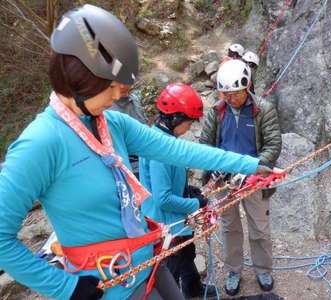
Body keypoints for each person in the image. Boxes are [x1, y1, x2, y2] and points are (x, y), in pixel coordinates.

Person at [0, 5, 279, 300]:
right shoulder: (41, 144)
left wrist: (251, 164)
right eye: (112, 88)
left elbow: (179, 151)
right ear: (82, 83)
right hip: (108, 283)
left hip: (147, 260)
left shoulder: (110, 123)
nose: (120, 96)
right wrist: (64, 287)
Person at [199, 59, 282, 296]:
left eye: (234, 94)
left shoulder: (263, 109)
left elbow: (273, 145)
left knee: (260, 228)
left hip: (254, 179)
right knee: (229, 227)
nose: (230, 98)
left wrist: (255, 167)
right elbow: (205, 144)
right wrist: (213, 168)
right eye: (225, 93)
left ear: (247, 87)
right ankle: (234, 270)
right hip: (225, 181)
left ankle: (263, 270)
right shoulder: (217, 111)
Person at [140, 83, 217, 299]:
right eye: (190, 122)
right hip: (166, 225)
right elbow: (162, 198)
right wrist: (196, 204)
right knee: (171, 268)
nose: (190, 127)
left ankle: (193, 288)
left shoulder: (164, 140)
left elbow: (171, 181)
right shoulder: (159, 150)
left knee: (187, 254)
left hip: (176, 219)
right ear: (175, 118)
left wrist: (188, 190)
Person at [109, 85, 147, 177]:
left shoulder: (135, 100)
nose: (123, 85)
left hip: (143, 158)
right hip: (123, 165)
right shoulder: (106, 108)